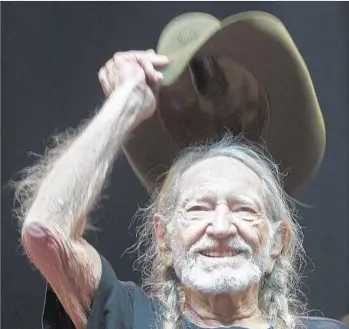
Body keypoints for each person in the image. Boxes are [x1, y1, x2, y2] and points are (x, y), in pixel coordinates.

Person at [15, 50, 347, 329]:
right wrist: (124, 104)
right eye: (198, 209)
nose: (220, 228)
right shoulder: (131, 317)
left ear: (277, 242)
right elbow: (46, 231)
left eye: (244, 210)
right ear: (164, 240)